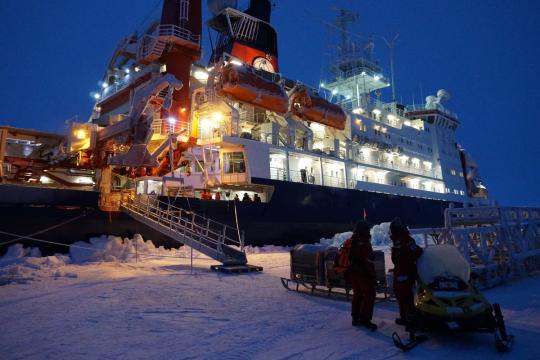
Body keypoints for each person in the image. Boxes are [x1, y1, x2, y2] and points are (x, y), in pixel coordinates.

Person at [390, 218, 423, 327]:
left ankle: (410, 320)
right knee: (403, 296)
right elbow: (417, 252)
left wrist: (406, 262)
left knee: (405, 297)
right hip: (401, 271)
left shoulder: (402, 240)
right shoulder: (404, 240)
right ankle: (406, 318)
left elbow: (401, 257)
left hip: (404, 272)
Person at [346, 221, 378, 330]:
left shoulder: (352, 240)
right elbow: (368, 260)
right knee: (370, 294)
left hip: (353, 272)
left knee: (358, 293)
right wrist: (373, 275)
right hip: (363, 273)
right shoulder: (364, 242)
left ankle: (355, 317)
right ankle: (365, 319)